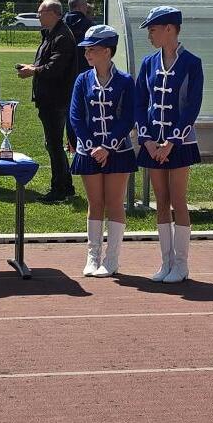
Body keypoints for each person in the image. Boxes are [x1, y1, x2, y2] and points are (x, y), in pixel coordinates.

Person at [135, 6, 203, 283]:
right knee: (161, 201)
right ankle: (166, 262)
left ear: (170, 29)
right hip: (153, 143)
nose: (149, 35)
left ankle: (181, 264)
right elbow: (140, 103)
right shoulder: (148, 63)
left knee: (178, 199)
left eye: (153, 30)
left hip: (180, 143)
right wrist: (148, 140)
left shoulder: (192, 63)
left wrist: (172, 141)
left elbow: (192, 107)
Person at [69, 25, 137, 277]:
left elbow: (128, 117)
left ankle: (112, 259)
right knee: (95, 203)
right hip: (89, 151)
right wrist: (91, 145)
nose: (87, 54)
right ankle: (93, 256)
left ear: (107, 51)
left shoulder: (125, 81)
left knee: (114, 202)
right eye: (86, 49)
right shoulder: (82, 80)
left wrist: (108, 145)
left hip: (118, 151)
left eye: (92, 49)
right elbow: (76, 116)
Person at [17, 0, 76, 202]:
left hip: (55, 99)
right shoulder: (51, 34)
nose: (38, 15)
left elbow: (55, 68)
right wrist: (32, 67)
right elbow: (47, 63)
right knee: (53, 143)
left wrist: (33, 70)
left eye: (41, 12)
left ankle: (59, 189)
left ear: (53, 13)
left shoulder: (62, 36)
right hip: (49, 98)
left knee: (54, 144)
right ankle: (65, 186)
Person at [63, 0, 94, 152]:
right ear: (82, 6)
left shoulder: (61, 25)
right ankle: (83, 144)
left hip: (63, 76)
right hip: (85, 74)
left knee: (68, 110)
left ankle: (71, 143)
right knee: (84, 110)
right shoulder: (89, 26)